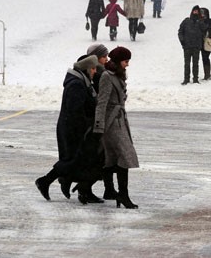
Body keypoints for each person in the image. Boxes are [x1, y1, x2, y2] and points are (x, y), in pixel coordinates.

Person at [35, 54, 104, 205]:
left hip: (76, 128)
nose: (94, 71)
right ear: (86, 69)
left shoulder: (82, 82)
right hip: (73, 129)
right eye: (92, 68)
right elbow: (75, 111)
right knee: (72, 161)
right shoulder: (76, 84)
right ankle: (45, 181)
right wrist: (86, 125)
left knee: (75, 161)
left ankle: (75, 188)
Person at [94, 46, 140, 208]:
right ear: (118, 61)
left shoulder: (119, 76)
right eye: (126, 61)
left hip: (119, 120)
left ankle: (112, 191)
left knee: (113, 157)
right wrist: (99, 125)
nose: (127, 64)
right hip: (111, 122)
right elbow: (102, 101)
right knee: (125, 155)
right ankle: (123, 195)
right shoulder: (107, 76)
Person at [178, 5, 207, 85]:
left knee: (195, 64)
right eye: (194, 11)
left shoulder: (200, 22)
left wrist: (202, 20)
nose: (195, 12)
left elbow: (205, 29)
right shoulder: (186, 21)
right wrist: (182, 41)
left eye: (197, 11)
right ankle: (186, 79)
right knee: (187, 64)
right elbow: (180, 31)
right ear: (192, 11)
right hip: (187, 46)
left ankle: (195, 79)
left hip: (196, 46)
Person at [200, 7, 211, 80]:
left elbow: (209, 29)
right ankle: (207, 74)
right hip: (199, 41)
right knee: (203, 58)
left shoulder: (210, 21)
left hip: (207, 41)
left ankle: (207, 74)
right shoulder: (198, 20)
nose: (202, 14)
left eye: (203, 13)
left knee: (206, 57)